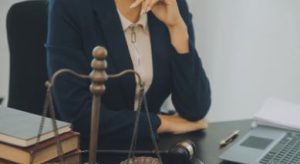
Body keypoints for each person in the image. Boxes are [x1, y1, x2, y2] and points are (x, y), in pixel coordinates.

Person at [46, 0, 211, 147]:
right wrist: (162, 123)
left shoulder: (171, 4)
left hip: (151, 152)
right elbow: (79, 117)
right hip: (89, 156)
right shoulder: (69, 5)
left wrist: (177, 28)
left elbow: (195, 109)